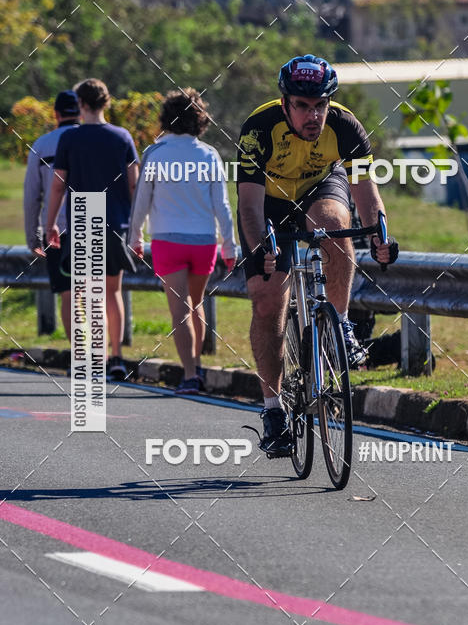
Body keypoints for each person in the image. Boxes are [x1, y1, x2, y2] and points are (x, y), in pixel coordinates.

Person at [237, 54, 399, 457]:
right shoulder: (259, 129)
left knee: (334, 225)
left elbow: (365, 190)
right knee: (268, 300)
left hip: (319, 188)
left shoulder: (346, 126)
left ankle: (339, 322)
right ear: (284, 102)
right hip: (269, 204)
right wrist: (262, 250)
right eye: (303, 106)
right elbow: (250, 207)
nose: (314, 115)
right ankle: (273, 409)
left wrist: (380, 233)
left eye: (320, 105)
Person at [129, 88, 237, 395]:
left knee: (179, 310)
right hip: (204, 241)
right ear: (199, 120)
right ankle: (198, 365)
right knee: (196, 303)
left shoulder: (154, 153)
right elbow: (222, 205)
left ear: (166, 118)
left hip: (167, 240)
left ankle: (190, 375)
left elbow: (141, 203)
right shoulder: (209, 155)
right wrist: (229, 246)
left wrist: (135, 236)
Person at [46, 78, 140, 380]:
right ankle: (116, 357)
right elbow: (134, 184)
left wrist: (49, 225)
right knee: (113, 292)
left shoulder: (70, 139)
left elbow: (58, 186)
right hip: (116, 222)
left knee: (83, 292)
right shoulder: (122, 137)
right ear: (106, 102)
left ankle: (85, 357)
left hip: (84, 220)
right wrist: (138, 229)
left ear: (81, 104)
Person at [23, 91, 80, 339]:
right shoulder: (91, 140)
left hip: (56, 229)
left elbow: (32, 196)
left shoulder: (42, 145)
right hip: (94, 223)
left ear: (55, 114)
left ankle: (79, 357)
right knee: (93, 291)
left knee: (69, 291)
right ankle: (102, 357)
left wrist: (33, 236)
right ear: (81, 110)